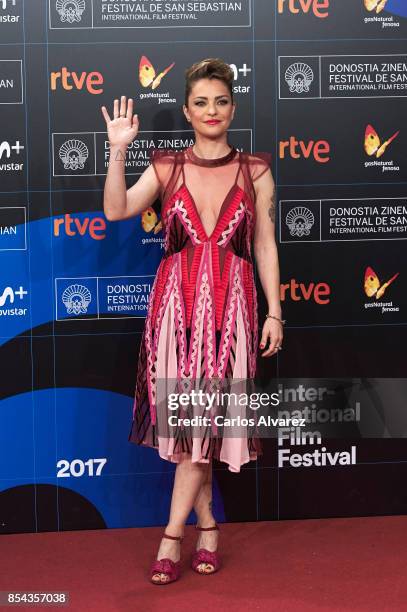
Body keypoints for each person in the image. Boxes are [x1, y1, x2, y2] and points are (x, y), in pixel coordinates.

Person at [101, 58, 283, 585]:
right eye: (201, 102)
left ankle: (172, 537)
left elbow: (265, 244)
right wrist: (117, 151)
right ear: (187, 110)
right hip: (175, 313)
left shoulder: (256, 170)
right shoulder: (165, 167)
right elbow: (116, 211)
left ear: (233, 108)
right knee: (193, 429)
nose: (211, 111)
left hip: (234, 312)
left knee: (202, 426)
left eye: (221, 101)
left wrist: (276, 311)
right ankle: (207, 528)